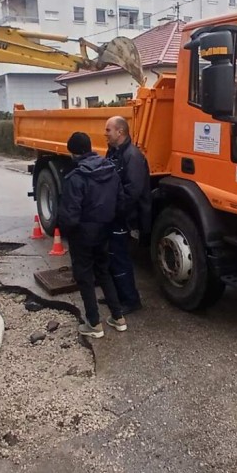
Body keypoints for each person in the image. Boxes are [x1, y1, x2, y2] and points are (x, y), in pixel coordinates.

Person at [57, 132, 127, 338]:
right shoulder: (110, 170)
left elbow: (69, 214)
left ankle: (94, 324)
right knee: (104, 271)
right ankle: (118, 317)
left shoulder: (76, 177)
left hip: (83, 233)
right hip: (104, 229)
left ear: (74, 153)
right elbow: (120, 202)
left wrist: (68, 232)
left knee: (85, 277)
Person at [104, 116, 152, 315]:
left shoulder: (133, 156)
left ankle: (131, 300)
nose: (105, 133)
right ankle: (116, 296)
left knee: (121, 259)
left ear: (120, 132)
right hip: (114, 215)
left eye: (108, 130)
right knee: (111, 257)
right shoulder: (113, 152)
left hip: (125, 217)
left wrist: (115, 211)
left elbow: (133, 191)